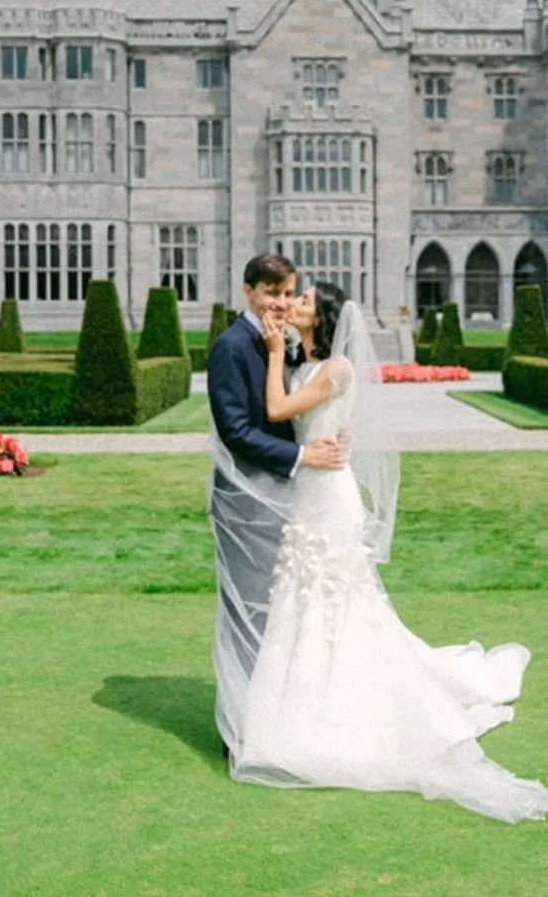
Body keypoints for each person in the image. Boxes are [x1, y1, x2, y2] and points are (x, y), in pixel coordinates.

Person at [221, 280, 548, 825]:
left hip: (329, 498)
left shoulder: (335, 369)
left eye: (304, 302)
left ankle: (339, 714)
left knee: (335, 602)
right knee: (306, 600)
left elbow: (276, 406)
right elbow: (288, 417)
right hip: (312, 488)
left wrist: (269, 355)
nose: (292, 306)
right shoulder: (302, 362)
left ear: (324, 318)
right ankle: (296, 708)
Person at [206, 253, 346, 755]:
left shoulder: (279, 345)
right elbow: (238, 431)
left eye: (290, 294)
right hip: (246, 498)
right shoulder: (231, 346)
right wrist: (305, 453)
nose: (282, 304)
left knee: (282, 612)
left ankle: (276, 716)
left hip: (286, 496)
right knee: (250, 614)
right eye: (272, 293)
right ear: (248, 292)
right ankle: (241, 728)